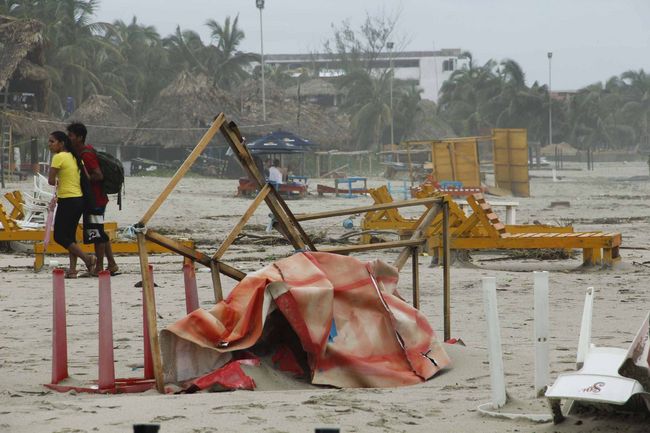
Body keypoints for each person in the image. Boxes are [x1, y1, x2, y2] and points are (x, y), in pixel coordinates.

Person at [67, 122, 119, 276]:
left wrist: (84, 179)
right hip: (94, 200)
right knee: (99, 231)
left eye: (71, 135)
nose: (69, 138)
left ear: (80, 137)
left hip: (95, 201)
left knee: (96, 233)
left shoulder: (86, 154)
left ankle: (99, 268)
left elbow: (98, 175)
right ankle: (112, 264)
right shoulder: (83, 152)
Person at [47, 131, 96, 278]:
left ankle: (87, 259)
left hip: (68, 200)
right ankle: (72, 270)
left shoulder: (58, 157)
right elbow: (86, 176)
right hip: (79, 200)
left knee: (60, 236)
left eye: (52, 141)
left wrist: (59, 181)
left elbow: (50, 180)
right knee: (70, 237)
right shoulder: (75, 156)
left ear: (61, 143)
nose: (49, 144)